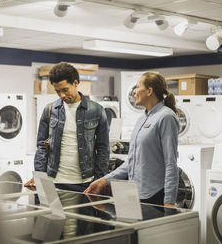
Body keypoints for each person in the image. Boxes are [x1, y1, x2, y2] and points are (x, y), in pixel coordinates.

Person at [85, 72, 179, 207]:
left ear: (149, 91)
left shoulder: (166, 117)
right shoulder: (142, 119)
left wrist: (169, 201)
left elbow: (171, 163)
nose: (134, 91)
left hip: (155, 195)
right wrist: (104, 180)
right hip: (135, 193)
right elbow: (131, 162)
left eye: (137, 87)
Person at [27, 62, 110, 192]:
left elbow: (103, 149)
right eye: (57, 91)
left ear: (76, 83)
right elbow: (41, 147)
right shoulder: (50, 110)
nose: (62, 95)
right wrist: (39, 177)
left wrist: (99, 180)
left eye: (65, 90)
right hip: (54, 181)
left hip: (85, 182)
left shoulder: (96, 110)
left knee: (83, 213)